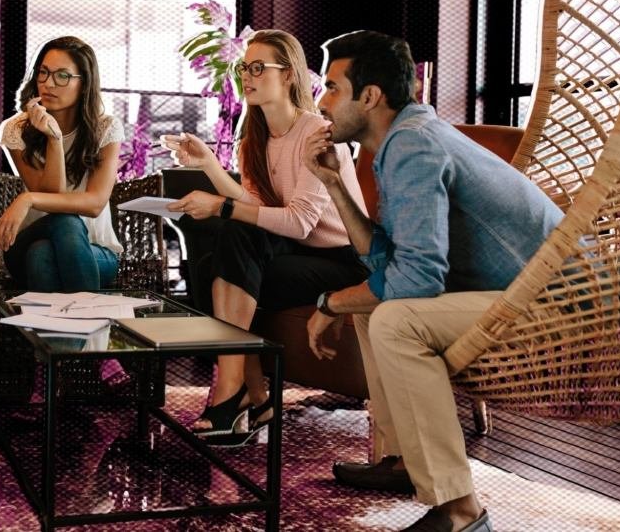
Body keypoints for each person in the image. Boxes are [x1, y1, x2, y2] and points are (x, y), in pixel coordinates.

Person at [303, 30, 563, 532]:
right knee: (374, 307)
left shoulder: (413, 146)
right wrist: (333, 183)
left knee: (395, 319)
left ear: (370, 96)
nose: (323, 103)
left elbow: (417, 279)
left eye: (332, 88)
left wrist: (329, 303)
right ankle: (404, 459)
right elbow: (389, 263)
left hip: (559, 304)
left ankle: (460, 512)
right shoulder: (404, 138)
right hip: (514, 294)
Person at [161, 29, 369, 446]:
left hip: (344, 260)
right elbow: (255, 204)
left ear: (288, 74)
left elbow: (300, 222)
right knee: (215, 260)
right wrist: (209, 165)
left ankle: (238, 390)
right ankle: (252, 394)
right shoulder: (254, 137)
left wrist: (220, 205)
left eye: (259, 68)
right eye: (244, 68)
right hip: (297, 253)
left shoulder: (316, 134)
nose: (247, 76)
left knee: (223, 262)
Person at [0, 36, 124, 292]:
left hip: (95, 249)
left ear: (84, 83)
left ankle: (56, 320)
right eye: (43, 72)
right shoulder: (15, 129)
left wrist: (28, 199)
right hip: (27, 242)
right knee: (64, 223)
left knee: (43, 254)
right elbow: (53, 195)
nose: (48, 83)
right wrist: (54, 139)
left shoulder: (105, 128)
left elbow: (95, 204)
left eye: (62, 75)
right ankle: (90, 313)